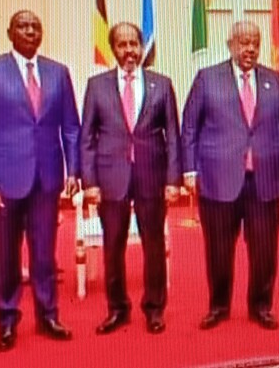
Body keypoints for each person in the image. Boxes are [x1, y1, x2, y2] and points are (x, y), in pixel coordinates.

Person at [0, 10, 81, 352]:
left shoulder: (58, 73)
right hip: (4, 181)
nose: (30, 31)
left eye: (35, 26)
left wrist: (73, 170)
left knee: (44, 253)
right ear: (10, 32)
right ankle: (6, 319)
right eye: (23, 26)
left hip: (47, 178)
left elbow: (71, 128)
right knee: (6, 255)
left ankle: (48, 315)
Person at [181, 20, 279, 331]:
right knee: (219, 249)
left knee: (264, 250)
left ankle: (261, 306)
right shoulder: (207, 78)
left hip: (265, 179)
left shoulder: (273, 79)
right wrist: (189, 170)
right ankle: (219, 307)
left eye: (255, 43)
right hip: (218, 179)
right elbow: (190, 127)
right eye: (244, 42)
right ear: (230, 45)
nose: (250, 48)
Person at [80, 22, 181, 335]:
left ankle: (154, 308)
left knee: (154, 245)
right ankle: (117, 309)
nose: (129, 51)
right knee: (113, 246)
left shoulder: (161, 84)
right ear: (113, 49)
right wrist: (90, 182)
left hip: (152, 176)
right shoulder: (96, 86)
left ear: (141, 46)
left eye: (133, 44)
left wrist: (173, 180)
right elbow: (86, 138)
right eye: (122, 45)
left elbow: (173, 136)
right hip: (111, 178)